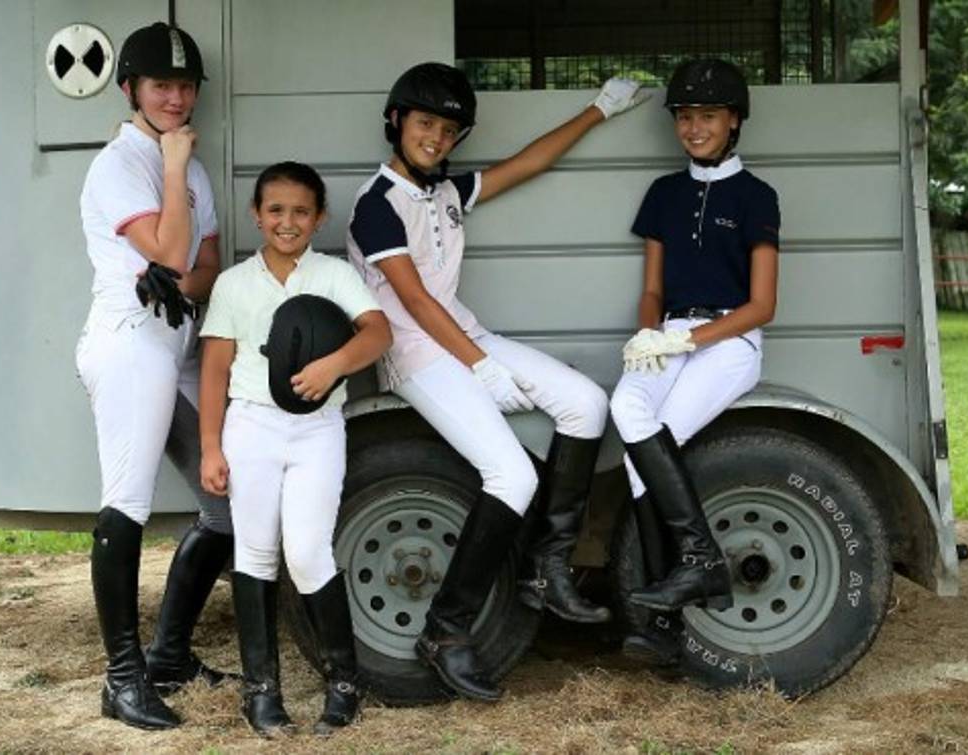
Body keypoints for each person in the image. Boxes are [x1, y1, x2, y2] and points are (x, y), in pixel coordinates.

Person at [345, 62, 650, 702]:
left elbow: (529, 163)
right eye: (426, 123)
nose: (437, 137)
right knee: (512, 475)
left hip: (463, 335)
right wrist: (478, 367)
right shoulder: (376, 206)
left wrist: (600, 110)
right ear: (397, 123)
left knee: (587, 404)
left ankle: (547, 567)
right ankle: (446, 631)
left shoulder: (448, 194)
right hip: (418, 355)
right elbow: (416, 301)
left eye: (450, 129)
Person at [74, 21, 236, 730]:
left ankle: (169, 653)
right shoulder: (120, 164)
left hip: (177, 345)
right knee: (128, 501)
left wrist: (182, 274)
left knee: (223, 505)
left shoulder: (195, 168)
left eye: (185, 85)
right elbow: (172, 246)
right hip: (129, 343)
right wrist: (171, 166)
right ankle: (121, 677)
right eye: (161, 85)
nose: (176, 98)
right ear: (131, 88)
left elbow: (205, 267)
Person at [197, 162, 391, 737]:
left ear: (319, 217)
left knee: (308, 552)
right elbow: (213, 369)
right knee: (256, 553)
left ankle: (343, 682)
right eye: (275, 210)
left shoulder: (332, 275)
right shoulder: (234, 283)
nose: (288, 222)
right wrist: (211, 446)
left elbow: (378, 332)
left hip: (317, 429)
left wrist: (335, 364)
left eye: (301, 211)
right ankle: (261, 692)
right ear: (256, 214)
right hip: (251, 427)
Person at [609, 59, 780, 667]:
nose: (694, 128)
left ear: (734, 121)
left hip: (730, 341)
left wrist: (693, 341)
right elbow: (653, 287)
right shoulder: (664, 194)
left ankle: (660, 621)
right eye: (684, 117)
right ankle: (698, 568)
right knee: (625, 408)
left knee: (646, 457)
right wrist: (648, 333)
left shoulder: (757, 196)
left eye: (707, 116)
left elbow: (763, 305)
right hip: (669, 334)